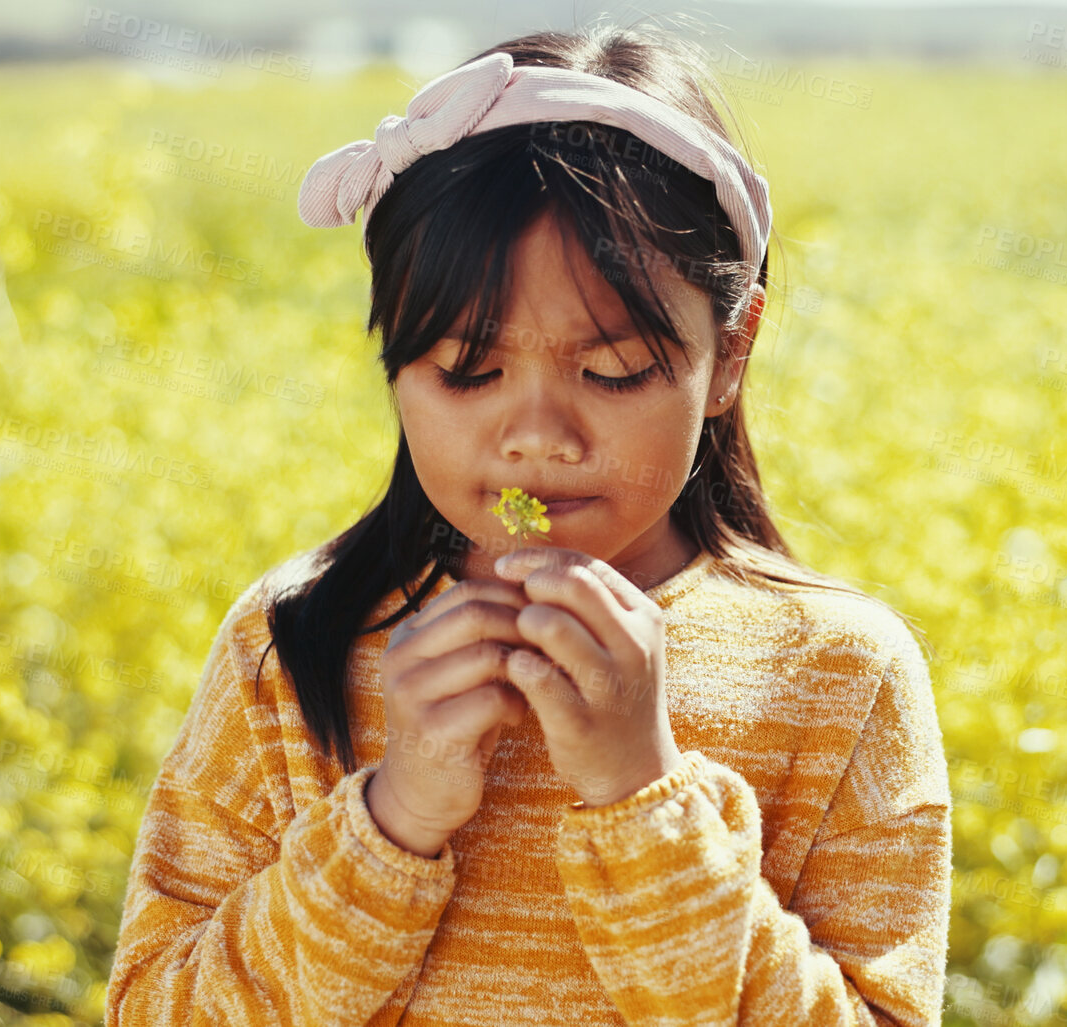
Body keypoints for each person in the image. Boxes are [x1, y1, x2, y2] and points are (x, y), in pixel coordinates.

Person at [105, 20, 952, 1026]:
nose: (537, 437)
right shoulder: (291, 644)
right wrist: (394, 818)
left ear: (729, 355)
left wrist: (644, 803)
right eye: (469, 371)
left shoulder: (840, 676)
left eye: (612, 371)